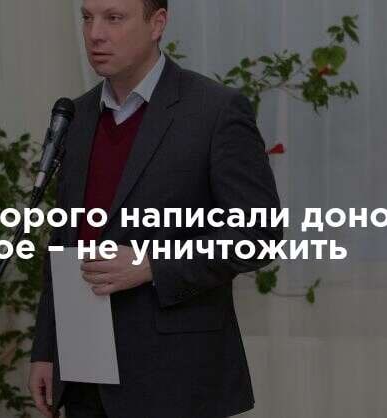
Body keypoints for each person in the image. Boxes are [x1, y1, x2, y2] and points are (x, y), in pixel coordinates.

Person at [28, 0, 282, 417]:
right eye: (87, 18)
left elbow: (259, 233)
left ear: (157, 24)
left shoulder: (215, 111)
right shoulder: (77, 116)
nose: (95, 34)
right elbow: (64, 238)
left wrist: (152, 265)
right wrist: (46, 348)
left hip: (177, 378)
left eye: (114, 18)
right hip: (85, 375)